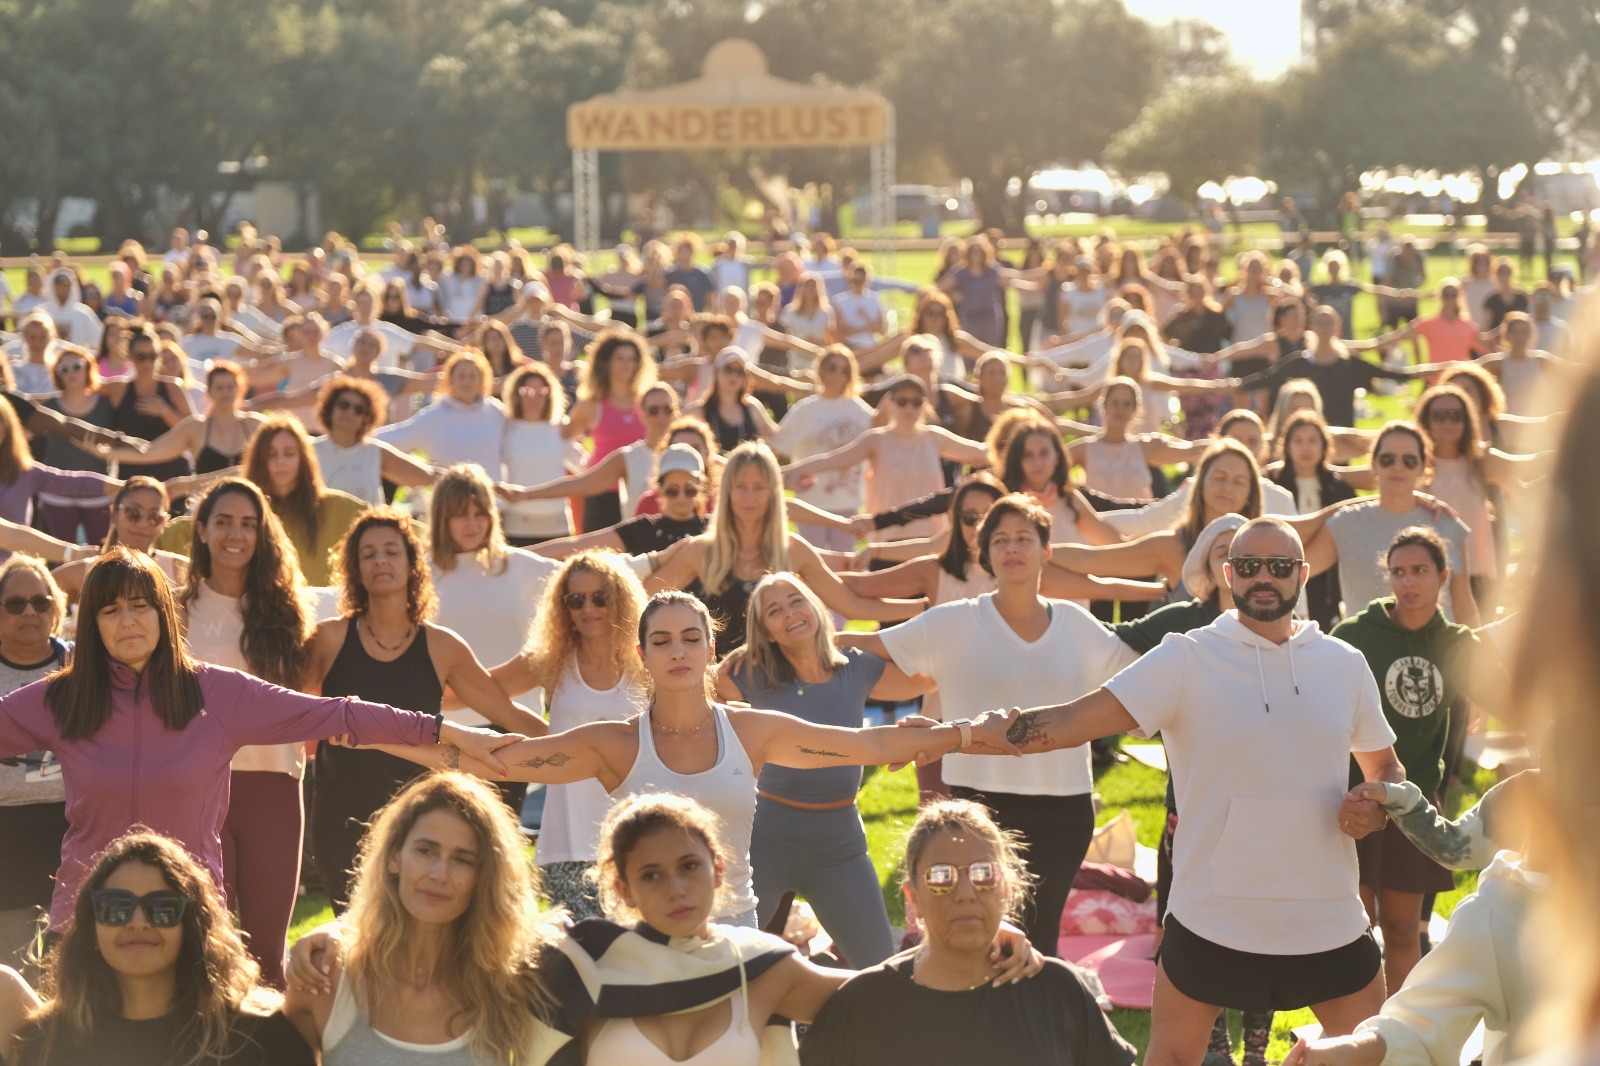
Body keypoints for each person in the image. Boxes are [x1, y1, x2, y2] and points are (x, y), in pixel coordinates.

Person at [970, 516, 1405, 1066]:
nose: (1263, 577)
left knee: (1378, 1057)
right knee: (1172, 1058)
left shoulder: (1343, 664)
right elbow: (1070, 722)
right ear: (1227, 574)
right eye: (1248, 567)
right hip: (1212, 915)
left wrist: (1378, 804)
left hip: (1328, 915)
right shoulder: (1186, 657)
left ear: (1303, 573)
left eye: (1278, 566)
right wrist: (955, 735)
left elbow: (1387, 767)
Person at [388, 589, 1012, 928]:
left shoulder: (753, 731)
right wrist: (369, 729)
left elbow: (870, 745)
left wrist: (967, 734)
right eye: (661, 641)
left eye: (691, 638)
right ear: (644, 655)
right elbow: (506, 759)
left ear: (712, 647)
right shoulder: (615, 744)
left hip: (735, 928)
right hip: (640, 933)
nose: (678, 651)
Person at [0, 547, 510, 936]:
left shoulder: (215, 692)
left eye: (140, 605)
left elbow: (338, 714)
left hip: (188, 922)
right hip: (87, 923)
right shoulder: (61, 700)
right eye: (109, 611)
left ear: (163, 614)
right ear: (90, 625)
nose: (128, 620)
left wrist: (446, 730)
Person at [846, 493, 1143, 954]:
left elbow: (1141, 680)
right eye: (1000, 539)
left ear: (1046, 550)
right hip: (978, 805)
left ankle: (1029, 1021)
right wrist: (794, 644)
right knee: (979, 934)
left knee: (1039, 942)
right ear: (984, 554)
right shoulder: (954, 621)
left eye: (1024, 538)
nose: (1012, 548)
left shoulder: (1078, 625)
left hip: (1063, 808)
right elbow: (870, 648)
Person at [304, 509, 548, 911]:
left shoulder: (442, 646)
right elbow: (293, 707)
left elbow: (505, 713)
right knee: (355, 945)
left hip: (420, 824)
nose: (380, 560)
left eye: (391, 551)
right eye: (368, 555)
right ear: (355, 570)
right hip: (341, 819)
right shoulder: (329, 638)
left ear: (412, 564)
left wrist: (581, 747)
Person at [799, 797, 1137, 1065]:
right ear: (912, 897)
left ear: (1005, 888)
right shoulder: (863, 1004)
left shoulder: (1056, 989)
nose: (965, 892)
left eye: (983, 874)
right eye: (941, 876)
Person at [716, 573, 933, 966]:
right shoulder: (749, 674)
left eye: (796, 600)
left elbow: (929, 678)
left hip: (840, 846)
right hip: (766, 841)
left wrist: (865, 639)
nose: (790, 614)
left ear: (815, 606)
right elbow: (686, 693)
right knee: (730, 967)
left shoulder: (856, 668)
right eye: (774, 612)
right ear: (764, 631)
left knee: (880, 967)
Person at [283, 773, 564, 1064]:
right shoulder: (324, 977)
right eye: (426, 851)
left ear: (484, 877)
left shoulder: (513, 985)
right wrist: (339, 930)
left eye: (462, 859)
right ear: (395, 857)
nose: (439, 874)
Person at [1329, 526, 1494, 994]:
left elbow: (1510, 697)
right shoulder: (1355, 635)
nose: (1408, 582)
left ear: (1443, 576)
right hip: (1352, 797)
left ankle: (1398, 1035)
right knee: (1352, 930)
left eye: (1420, 570)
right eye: (1398, 572)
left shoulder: (1458, 644)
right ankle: (1351, 1034)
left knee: (1403, 931)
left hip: (1416, 802)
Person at [10, 830, 314, 1065]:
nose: (138, 922)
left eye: (162, 908)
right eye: (117, 907)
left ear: (193, 925)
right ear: (92, 926)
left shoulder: (260, 1038)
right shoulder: (46, 1045)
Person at [181, 479, 314, 989]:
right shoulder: (173, 609)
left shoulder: (288, 612)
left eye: (248, 524)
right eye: (224, 522)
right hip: (198, 789)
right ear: (202, 530)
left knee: (267, 954)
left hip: (275, 788)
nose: (236, 534)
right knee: (203, 948)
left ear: (262, 535)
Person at [466, 551, 649, 919]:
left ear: (620, 599)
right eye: (575, 600)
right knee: (579, 958)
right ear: (562, 607)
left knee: (640, 959)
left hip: (640, 837)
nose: (588, 608)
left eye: (600, 597)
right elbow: (477, 689)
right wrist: (546, 736)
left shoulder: (648, 658)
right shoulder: (552, 658)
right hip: (568, 838)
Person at [650, 442, 924, 653]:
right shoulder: (700, 552)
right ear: (727, 492)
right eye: (740, 487)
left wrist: (926, 606)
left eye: (759, 487)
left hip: (778, 691)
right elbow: (641, 599)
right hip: (716, 692)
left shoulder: (793, 550)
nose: (749, 497)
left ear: (774, 493)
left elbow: (852, 605)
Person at [159, 415, 367, 587]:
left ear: (302, 459)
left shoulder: (337, 508)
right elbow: (187, 531)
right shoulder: (242, 506)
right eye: (272, 454)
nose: (281, 462)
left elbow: (374, 525)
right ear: (260, 459)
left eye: (289, 453)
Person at [782, 374, 988, 545]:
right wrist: (781, 474)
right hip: (886, 540)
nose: (909, 408)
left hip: (929, 542)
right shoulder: (876, 440)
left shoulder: (934, 437)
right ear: (890, 403)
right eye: (902, 401)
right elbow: (832, 460)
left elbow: (982, 453)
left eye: (916, 402)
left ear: (924, 406)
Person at [1305, 423, 1479, 626]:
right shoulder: (1345, 523)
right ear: (1374, 464)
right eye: (1388, 459)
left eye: (1409, 460)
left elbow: (1465, 607)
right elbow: (1298, 569)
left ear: (1424, 467)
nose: (1398, 467)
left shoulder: (1447, 524)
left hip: (1435, 653)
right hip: (1367, 653)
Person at [426, 463, 558, 715]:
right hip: (449, 726)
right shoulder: (417, 574)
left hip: (519, 720)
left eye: (480, 514)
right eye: (460, 515)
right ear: (441, 519)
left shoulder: (520, 566)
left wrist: (654, 559)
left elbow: (591, 577)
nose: (472, 524)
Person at [0, 558, 71, 977]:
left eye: (41, 602)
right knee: (13, 968)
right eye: (15, 603)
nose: (30, 611)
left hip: (74, 830)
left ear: (55, 609)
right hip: (6, 835)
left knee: (70, 971)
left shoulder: (85, 668)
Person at [499, 380, 678, 526]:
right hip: (644, 547)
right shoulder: (629, 457)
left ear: (675, 412)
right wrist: (527, 494)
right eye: (654, 410)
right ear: (642, 412)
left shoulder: (688, 451)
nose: (661, 416)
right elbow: (582, 483)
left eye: (667, 409)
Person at [527, 443, 708, 560]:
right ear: (659, 488)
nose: (682, 497)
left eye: (690, 489)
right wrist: (513, 556)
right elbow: (577, 546)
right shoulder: (644, 529)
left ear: (702, 487)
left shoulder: (714, 528)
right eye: (672, 490)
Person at [99, 361, 267, 480]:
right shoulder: (195, 427)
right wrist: (102, 452)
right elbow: (149, 453)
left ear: (240, 389)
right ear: (209, 391)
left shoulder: (255, 424)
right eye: (220, 388)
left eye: (230, 387)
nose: (225, 393)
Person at [1268, 410, 1357, 630]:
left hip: (1327, 585)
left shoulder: (1338, 487)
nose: (1305, 447)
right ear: (1287, 446)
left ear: (1324, 445)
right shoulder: (1273, 486)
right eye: (1298, 441)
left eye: (1312, 440)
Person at [563, 328, 657, 531]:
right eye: (620, 359)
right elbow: (564, 438)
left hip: (641, 489)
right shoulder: (592, 404)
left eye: (631, 359)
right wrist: (582, 466)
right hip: (601, 492)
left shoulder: (649, 402)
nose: (626, 365)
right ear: (606, 363)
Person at [375, 349, 508, 475]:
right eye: (461, 376)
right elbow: (396, 436)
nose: (467, 381)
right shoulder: (435, 415)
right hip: (450, 496)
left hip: (494, 496)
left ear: (482, 380)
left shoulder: (496, 411)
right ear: (450, 380)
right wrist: (360, 437)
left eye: (473, 376)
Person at [309, 376, 437, 506]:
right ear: (330, 409)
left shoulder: (375, 451)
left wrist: (455, 477)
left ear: (366, 418)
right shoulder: (309, 450)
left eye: (359, 410)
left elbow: (427, 476)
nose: (350, 412)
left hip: (368, 525)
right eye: (344, 405)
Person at [499, 361, 574, 545]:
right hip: (516, 524)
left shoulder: (560, 428)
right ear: (516, 393)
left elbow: (585, 467)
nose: (534, 398)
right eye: (527, 392)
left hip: (557, 524)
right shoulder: (504, 428)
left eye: (541, 392)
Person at [687, 347, 779, 452]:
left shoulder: (753, 407)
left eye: (739, 371)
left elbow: (777, 439)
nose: (733, 375)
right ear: (716, 373)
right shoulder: (698, 411)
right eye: (728, 369)